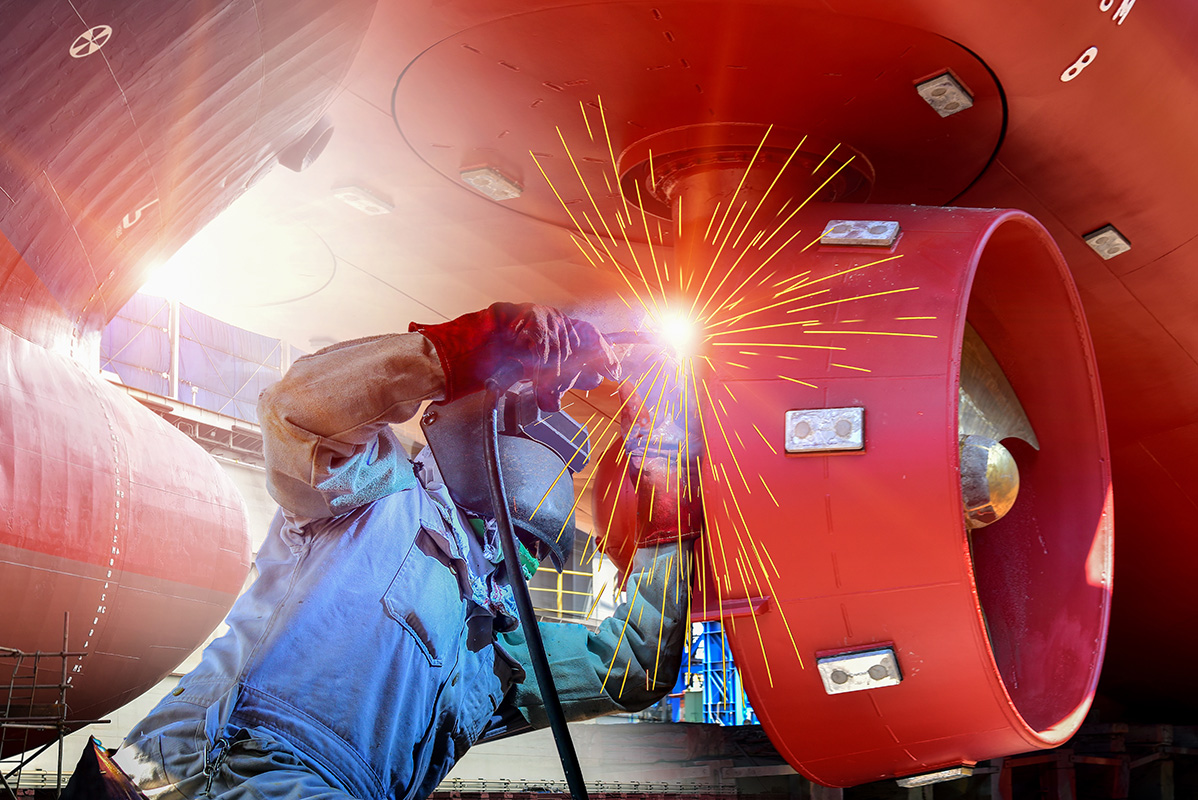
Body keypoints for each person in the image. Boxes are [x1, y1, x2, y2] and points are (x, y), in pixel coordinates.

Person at [112, 303, 702, 800]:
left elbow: (630, 671)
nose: (520, 556)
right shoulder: (373, 496)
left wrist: (667, 534)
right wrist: (471, 348)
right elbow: (296, 412)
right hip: (223, 766)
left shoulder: (493, 650)